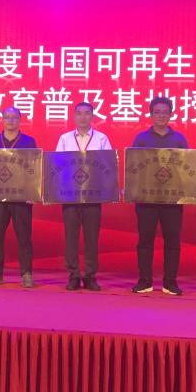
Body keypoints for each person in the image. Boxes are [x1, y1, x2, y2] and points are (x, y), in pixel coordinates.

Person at [131, 96, 189, 296]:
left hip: (173, 199)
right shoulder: (141, 138)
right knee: (145, 241)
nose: (161, 116)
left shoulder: (179, 139)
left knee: (172, 241)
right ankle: (144, 281)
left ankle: (170, 282)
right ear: (151, 114)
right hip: (146, 199)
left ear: (171, 114)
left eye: (165, 112)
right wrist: (130, 188)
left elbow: (187, 169)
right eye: (157, 112)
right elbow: (133, 168)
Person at [56, 101, 113, 292]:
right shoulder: (64, 138)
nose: (83, 117)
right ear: (74, 116)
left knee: (92, 238)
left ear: (92, 116)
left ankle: (90, 276)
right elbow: (57, 166)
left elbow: (108, 166)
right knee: (71, 238)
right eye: (79, 113)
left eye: (87, 113)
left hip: (93, 196)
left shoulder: (102, 138)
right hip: (70, 195)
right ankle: (73, 275)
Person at [0, 107, 38, 288]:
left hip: (22, 197)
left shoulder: (29, 142)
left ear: (20, 120)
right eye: (7, 117)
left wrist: (33, 192)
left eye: (14, 117)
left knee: (24, 236)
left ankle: (26, 273)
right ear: (2, 119)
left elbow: (35, 168)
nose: (10, 120)